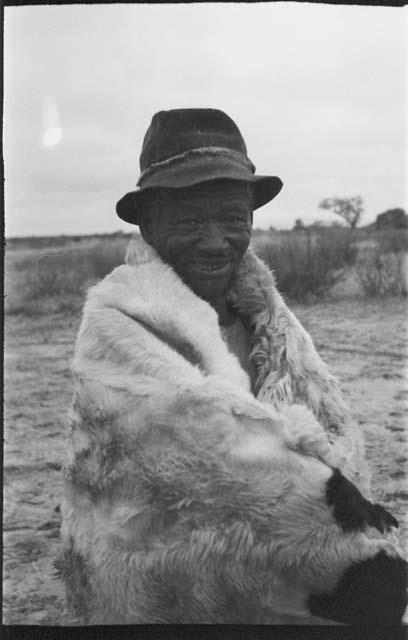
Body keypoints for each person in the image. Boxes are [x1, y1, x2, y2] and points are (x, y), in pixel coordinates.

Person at [58, 109, 406, 624]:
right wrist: (345, 532)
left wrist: (340, 511)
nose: (217, 240)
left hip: (280, 590)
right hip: (164, 602)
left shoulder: (272, 320)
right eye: (192, 220)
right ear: (149, 222)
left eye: (232, 219)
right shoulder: (116, 323)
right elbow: (192, 470)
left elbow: (332, 435)